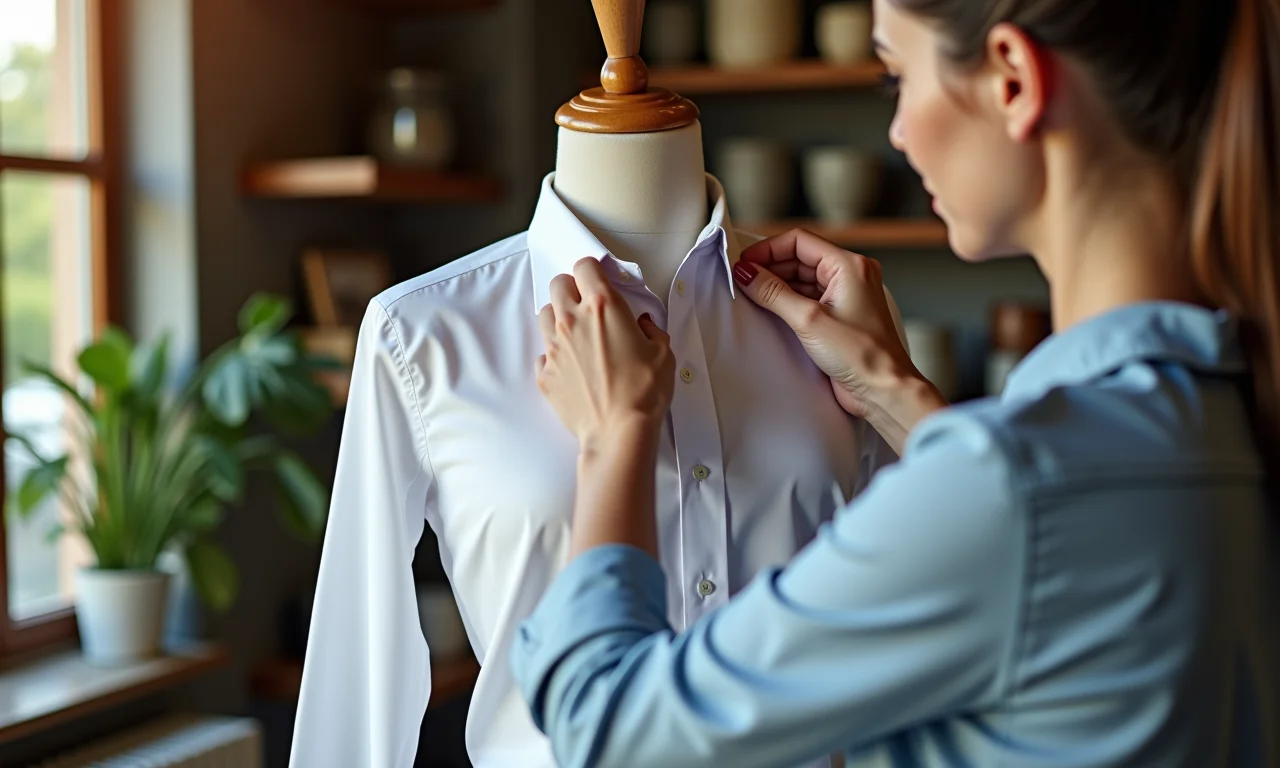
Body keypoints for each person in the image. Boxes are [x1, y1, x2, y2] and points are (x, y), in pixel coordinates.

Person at [506, 0, 1280, 765]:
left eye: (894, 76)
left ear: (1013, 79)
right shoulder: (1221, 414)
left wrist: (615, 435)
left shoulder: (1013, 494)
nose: (898, 131)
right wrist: (891, 389)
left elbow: (608, 731)